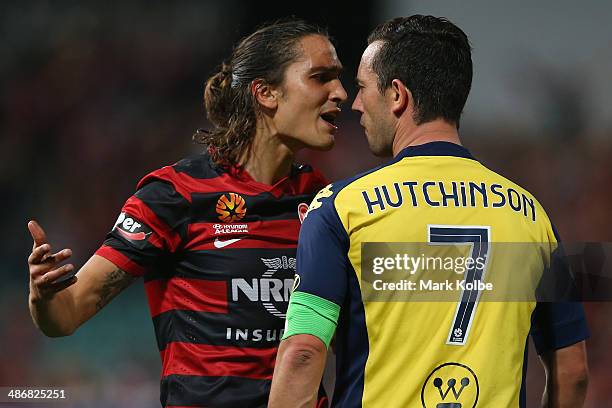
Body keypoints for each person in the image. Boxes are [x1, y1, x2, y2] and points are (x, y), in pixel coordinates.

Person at [269, 15, 589, 408]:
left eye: (363, 88)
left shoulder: (342, 208)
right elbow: (572, 373)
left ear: (397, 95)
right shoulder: (531, 217)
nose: (355, 104)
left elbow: (303, 351)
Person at [27, 18, 346, 408]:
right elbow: (66, 314)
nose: (341, 93)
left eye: (340, 78)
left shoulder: (325, 201)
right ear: (266, 93)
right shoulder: (175, 195)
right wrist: (43, 294)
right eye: (321, 77)